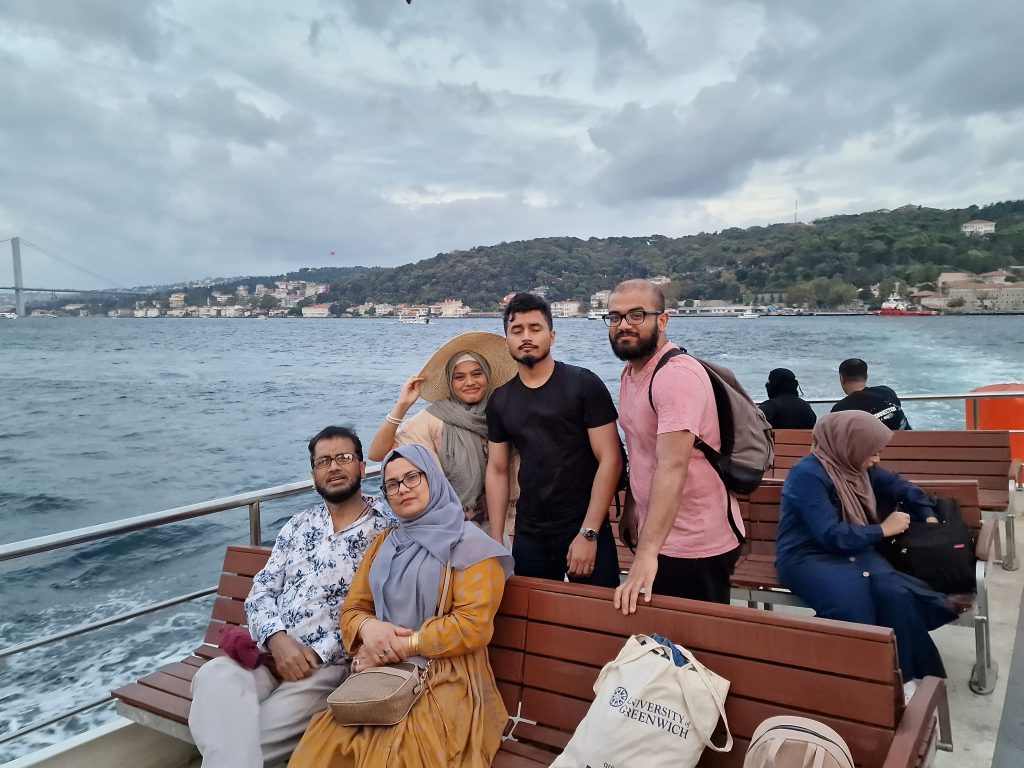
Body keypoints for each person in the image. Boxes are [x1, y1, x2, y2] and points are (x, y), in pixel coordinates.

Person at [288, 444, 514, 768]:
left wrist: (399, 646)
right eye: (392, 484)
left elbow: (472, 626)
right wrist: (369, 628)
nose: (402, 489)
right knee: (322, 747)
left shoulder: (472, 547)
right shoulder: (385, 542)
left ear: (433, 479)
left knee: (399, 753)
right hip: (379, 672)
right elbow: (354, 608)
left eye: (412, 477)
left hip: (446, 676)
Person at [188, 426, 395, 768]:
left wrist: (314, 652)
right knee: (212, 679)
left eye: (344, 457)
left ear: (362, 466)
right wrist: (277, 639)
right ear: (313, 472)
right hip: (267, 655)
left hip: (325, 667)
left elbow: (384, 610)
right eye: (323, 461)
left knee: (244, 739)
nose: (334, 467)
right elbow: (261, 590)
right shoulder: (298, 525)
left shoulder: (386, 529)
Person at [775, 411, 956, 687]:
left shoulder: (858, 468)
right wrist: (882, 529)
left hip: (856, 547)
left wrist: (926, 513)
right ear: (849, 445)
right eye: (871, 452)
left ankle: (907, 677)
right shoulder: (806, 475)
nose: (876, 459)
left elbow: (901, 487)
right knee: (852, 604)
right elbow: (827, 534)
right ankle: (862, 688)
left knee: (895, 593)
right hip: (808, 555)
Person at [607, 279, 744, 614]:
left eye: (637, 315)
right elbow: (640, 453)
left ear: (663, 320)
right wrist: (632, 509)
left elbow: (673, 465)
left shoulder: (676, 377)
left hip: (697, 544)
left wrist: (646, 553)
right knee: (666, 648)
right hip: (661, 535)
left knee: (699, 652)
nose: (624, 325)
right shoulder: (631, 371)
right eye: (615, 317)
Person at [485, 292, 622, 587]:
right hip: (530, 531)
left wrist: (589, 532)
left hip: (585, 523)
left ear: (552, 335)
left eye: (535, 328)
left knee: (598, 622)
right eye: (517, 330)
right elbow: (497, 469)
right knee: (531, 623)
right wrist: (496, 539)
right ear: (506, 339)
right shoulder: (500, 400)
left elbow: (610, 458)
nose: (526, 337)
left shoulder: (583, 384)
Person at [367, 332, 518, 535]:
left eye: (477, 374)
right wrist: (402, 405)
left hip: (510, 526)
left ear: (488, 376)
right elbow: (377, 453)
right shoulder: (434, 419)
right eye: (459, 377)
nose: (470, 382)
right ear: (450, 382)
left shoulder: (505, 411)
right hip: (456, 531)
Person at [831, 358, 911, 430]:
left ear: (842, 379)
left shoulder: (839, 410)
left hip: (876, 446)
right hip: (910, 442)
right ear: (866, 376)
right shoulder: (887, 392)